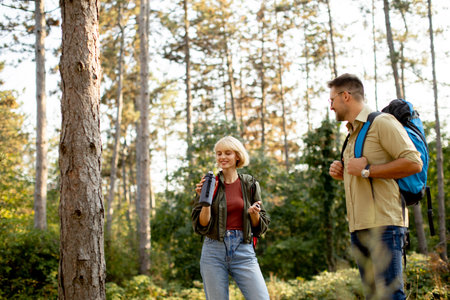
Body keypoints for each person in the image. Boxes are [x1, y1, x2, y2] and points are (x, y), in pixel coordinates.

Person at [327, 74, 422, 300]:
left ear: (346, 96)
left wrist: (367, 169)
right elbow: (359, 172)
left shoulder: (382, 123)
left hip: (384, 224)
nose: (330, 106)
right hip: (359, 226)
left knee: (390, 295)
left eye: (332, 100)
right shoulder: (352, 133)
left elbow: (413, 162)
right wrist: (342, 172)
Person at [191, 136, 270, 300]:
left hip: (243, 250)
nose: (222, 157)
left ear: (238, 156)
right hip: (214, 251)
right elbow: (201, 225)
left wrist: (254, 215)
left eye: (227, 153)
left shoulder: (250, 184)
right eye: (219, 153)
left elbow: (260, 226)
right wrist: (205, 200)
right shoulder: (209, 182)